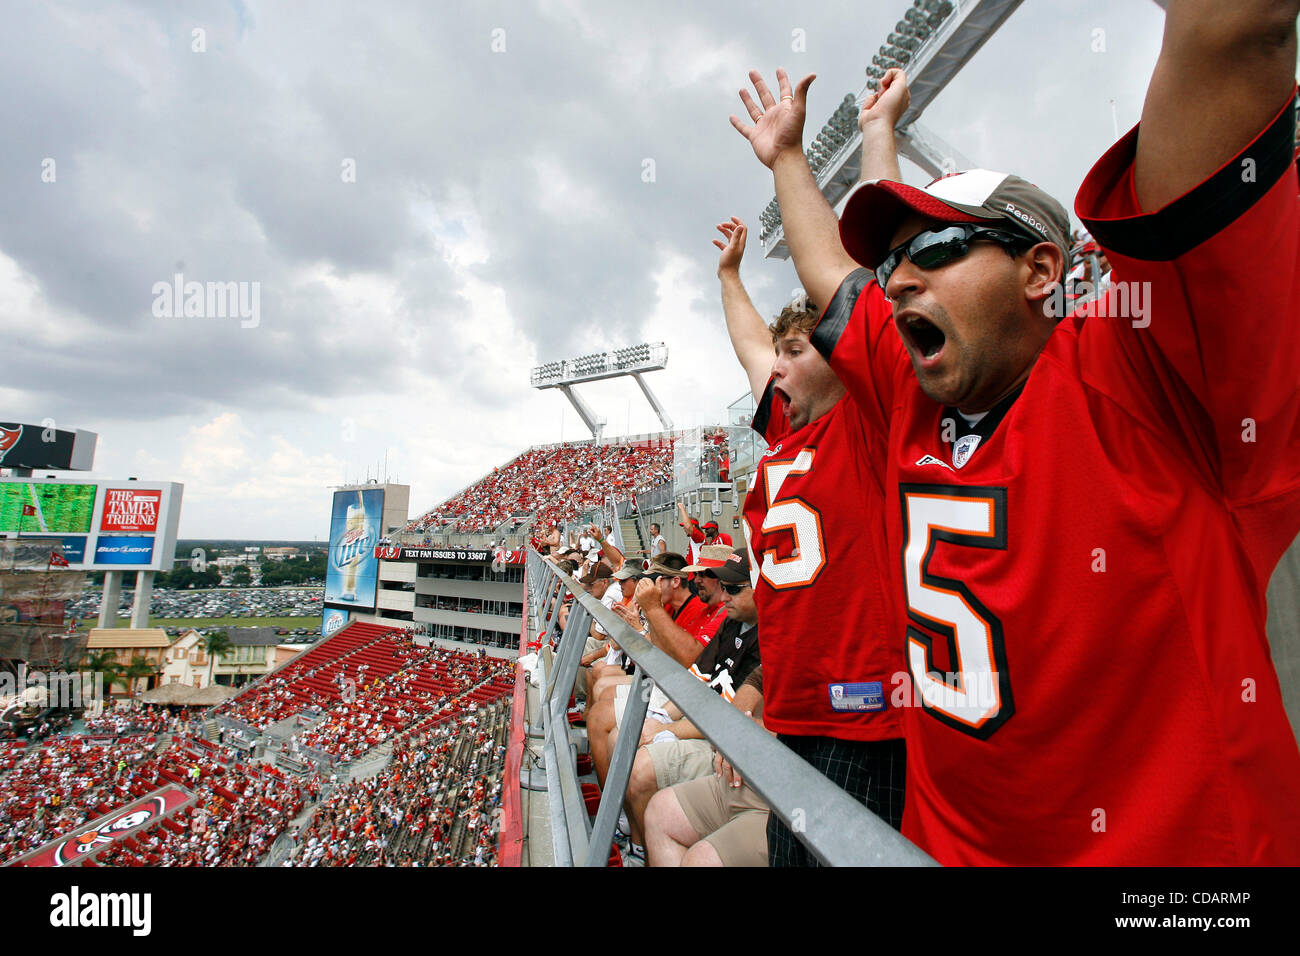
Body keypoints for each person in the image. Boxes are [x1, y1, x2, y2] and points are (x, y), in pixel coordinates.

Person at [729, 1, 1300, 864]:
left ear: (1042, 269)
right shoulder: (912, 396)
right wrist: (786, 160)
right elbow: (833, 273)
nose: (903, 280)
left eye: (942, 247)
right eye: (895, 262)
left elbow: (1235, 33)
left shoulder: (1155, 376)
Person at [711, 191, 906, 865]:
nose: (778, 366)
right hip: (795, 708)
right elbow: (749, 348)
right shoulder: (790, 431)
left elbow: (858, 289)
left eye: (796, 349)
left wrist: (788, 159)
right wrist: (730, 278)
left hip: (861, 718)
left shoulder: (870, 425)